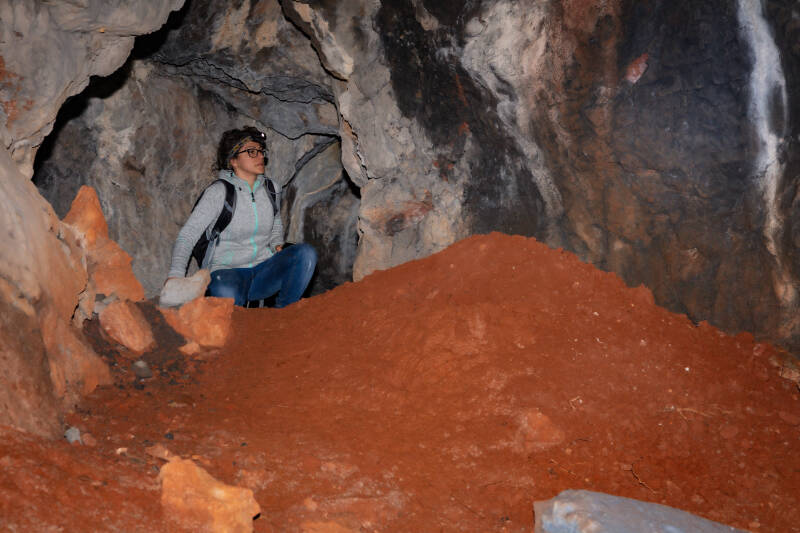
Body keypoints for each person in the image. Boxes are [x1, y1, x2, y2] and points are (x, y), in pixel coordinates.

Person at [166, 127, 316, 307]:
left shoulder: (271, 189)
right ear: (233, 161)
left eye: (261, 151)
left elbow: (275, 220)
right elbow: (188, 234)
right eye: (251, 152)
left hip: (264, 270)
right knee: (225, 290)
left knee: (305, 253)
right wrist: (175, 275)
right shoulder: (219, 192)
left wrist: (276, 242)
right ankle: (238, 322)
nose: (260, 156)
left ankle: (283, 315)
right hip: (228, 274)